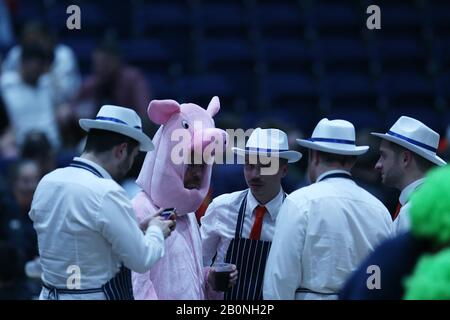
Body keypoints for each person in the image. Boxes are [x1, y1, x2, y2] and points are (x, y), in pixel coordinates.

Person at [29, 105, 174, 300]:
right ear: (122, 151)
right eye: (133, 155)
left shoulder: (47, 181)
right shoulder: (107, 192)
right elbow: (143, 259)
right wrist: (156, 230)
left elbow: (77, 236)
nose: (132, 163)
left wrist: (134, 230)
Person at [263, 118, 393, 300]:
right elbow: (380, 278)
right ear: (353, 160)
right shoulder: (379, 209)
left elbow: (279, 279)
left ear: (314, 156)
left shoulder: (299, 201)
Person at [132, 97, 236, 299]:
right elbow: (138, 287)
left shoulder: (186, 213)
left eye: (202, 166)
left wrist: (210, 280)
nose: (198, 174)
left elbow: (186, 281)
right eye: (190, 164)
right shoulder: (139, 209)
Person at [200, 128, 302, 300]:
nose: (255, 175)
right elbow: (196, 263)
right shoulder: (221, 207)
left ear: (284, 170)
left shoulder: (298, 216)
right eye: (249, 165)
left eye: (265, 166)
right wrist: (209, 276)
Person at [340, 165, 450, 299]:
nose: (378, 165)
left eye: (383, 156)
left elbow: (363, 288)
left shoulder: (394, 249)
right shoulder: (395, 250)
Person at [371, 116, 446, 234]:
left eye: (384, 156)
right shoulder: (434, 202)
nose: (378, 165)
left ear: (405, 159)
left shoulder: (411, 212)